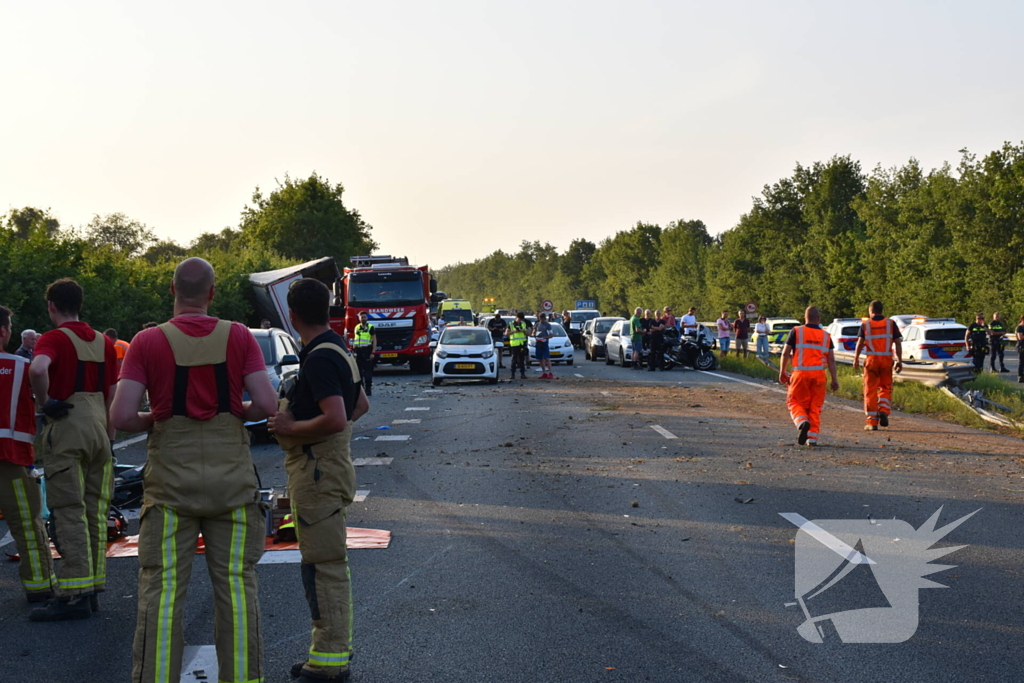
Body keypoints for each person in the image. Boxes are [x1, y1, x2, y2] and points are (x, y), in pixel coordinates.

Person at [111, 258, 277, 683]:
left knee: (162, 596)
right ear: (213, 293)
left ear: (172, 290)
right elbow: (266, 406)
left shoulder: (147, 342)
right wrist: (232, 408)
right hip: (232, 486)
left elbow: (123, 416)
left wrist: (157, 417)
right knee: (237, 592)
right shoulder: (239, 336)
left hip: (170, 489)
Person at [268, 279, 369, 683]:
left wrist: (294, 425)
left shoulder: (318, 359)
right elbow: (360, 404)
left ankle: (328, 661)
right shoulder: (338, 347)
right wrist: (328, 435)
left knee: (322, 566)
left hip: (318, 474)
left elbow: (337, 416)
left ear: (291, 317)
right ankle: (329, 655)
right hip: (327, 468)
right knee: (324, 563)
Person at [27, 279, 118, 621]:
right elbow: (113, 391)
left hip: (67, 428)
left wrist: (44, 402)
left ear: (51, 306)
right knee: (96, 511)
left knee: (68, 509)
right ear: (80, 304)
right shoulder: (103, 342)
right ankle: (93, 586)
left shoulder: (53, 339)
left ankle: (74, 592)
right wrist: (110, 437)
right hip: (99, 427)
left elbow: (38, 369)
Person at [0, 306, 56, 604]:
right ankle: (39, 586)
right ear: (3, 332)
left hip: (11, 456)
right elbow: (43, 401)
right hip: (11, 460)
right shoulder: (20, 367)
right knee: (27, 525)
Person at [779, 306, 839, 447]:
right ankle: (812, 438)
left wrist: (782, 371)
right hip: (819, 376)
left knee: (794, 402)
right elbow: (831, 360)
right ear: (819, 319)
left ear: (804, 318)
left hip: (800, 375)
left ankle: (801, 422)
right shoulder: (826, 336)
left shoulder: (797, 331)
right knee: (815, 406)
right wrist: (834, 379)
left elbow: (785, 353)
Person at [852, 300, 903, 431]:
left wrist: (856, 358)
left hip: (872, 361)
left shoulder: (866, 324)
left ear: (871, 310)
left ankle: (872, 422)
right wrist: (899, 360)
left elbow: (860, 343)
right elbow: (897, 342)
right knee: (886, 388)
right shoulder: (890, 323)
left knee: (870, 391)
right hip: (886, 360)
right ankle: (884, 411)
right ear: (882, 310)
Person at [352, 311, 377, 396]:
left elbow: (374, 340)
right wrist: (353, 350)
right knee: (358, 372)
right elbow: (355, 339)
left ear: (367, 318)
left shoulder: (371, 327)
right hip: (358, 351)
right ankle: (360, 390)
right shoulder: (357, 327)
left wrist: (373, 352)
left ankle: (368, 389)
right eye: (361, 317)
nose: (363, 318)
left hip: (367, 351)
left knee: (367, 372)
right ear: (359, 318)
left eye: (364, 317)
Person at [508, 312, 530, 380]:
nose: (520, 321)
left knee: (522, 359)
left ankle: (522, 374)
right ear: (516, 317)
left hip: (522, 344)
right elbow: (506, 333)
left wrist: (523, 330)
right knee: (514, 360)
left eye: (521, 319)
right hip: (514, 344)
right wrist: (514, 331)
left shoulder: (523, 324)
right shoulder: (511, 324)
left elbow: (528, 333)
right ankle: (512, 374)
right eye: (519, 319)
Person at [534, 313, 555, 379]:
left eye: (542, 319)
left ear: (545, 318)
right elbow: (533, 332)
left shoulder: (548, 325)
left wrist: (544, 338)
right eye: (540, 319)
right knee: (540, 359)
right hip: (538, 342)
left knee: (547, 358)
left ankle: (550, 372)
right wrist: (534, 334)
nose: (541, 320)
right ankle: (544, 372)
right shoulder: (537, 324)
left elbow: (551, 335)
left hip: (544, 342)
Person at [1016, 315, 1024, 383]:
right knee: (1021, 362)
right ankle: (1020, 376)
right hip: (1021, 346)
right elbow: (1020, 337)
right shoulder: (1020, 327)